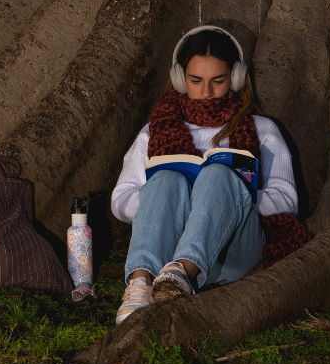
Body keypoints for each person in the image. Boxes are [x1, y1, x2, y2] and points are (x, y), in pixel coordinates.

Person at [112, 25, 299, 325]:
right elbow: (121, 202)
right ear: (180, 79)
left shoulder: (262, 129)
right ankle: (140, 285)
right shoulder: (153, 131)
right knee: (167, 179)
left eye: (218, 81)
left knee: (219, 176)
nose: (206, 92)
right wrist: (179, 202)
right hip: (166, 248)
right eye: (196, 80)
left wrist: (224, 197)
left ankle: (182, 275)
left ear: (236, 78)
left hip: (235, 249)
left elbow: (287, 200)